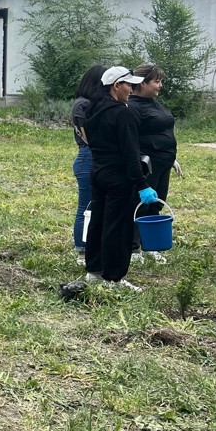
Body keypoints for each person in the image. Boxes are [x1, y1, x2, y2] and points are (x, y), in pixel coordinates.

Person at [83, 66, 160, 292]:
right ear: (116, 86)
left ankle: (94, 270)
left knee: (98, 221)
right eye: (129, 85)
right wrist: (142, 184)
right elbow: (129, 152)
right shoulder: (122, 113)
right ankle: (114, 277)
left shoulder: (92, 110)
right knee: (118, 226)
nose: (132, 89)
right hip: (118, 176)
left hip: (98, 173)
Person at [129, 63, 180, 265]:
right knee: (139, 205)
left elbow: (163, 131)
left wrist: (172, 158)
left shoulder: (154, 103)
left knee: (156, 204)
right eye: (156, 81)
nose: (160, 86)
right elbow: (131, 140)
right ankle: (133, 248)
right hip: (146, 165)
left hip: (163, 163)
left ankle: (150, 245)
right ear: (142, 83)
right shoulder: (132, 107)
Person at [70, 65, 108, 267]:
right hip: (88, 157)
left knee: (95, 205)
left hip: (95, 156)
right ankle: (82, 250)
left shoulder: (92, 103)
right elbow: (89, 137)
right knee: (85, 207)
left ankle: (93, 247)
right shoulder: (82, 105)